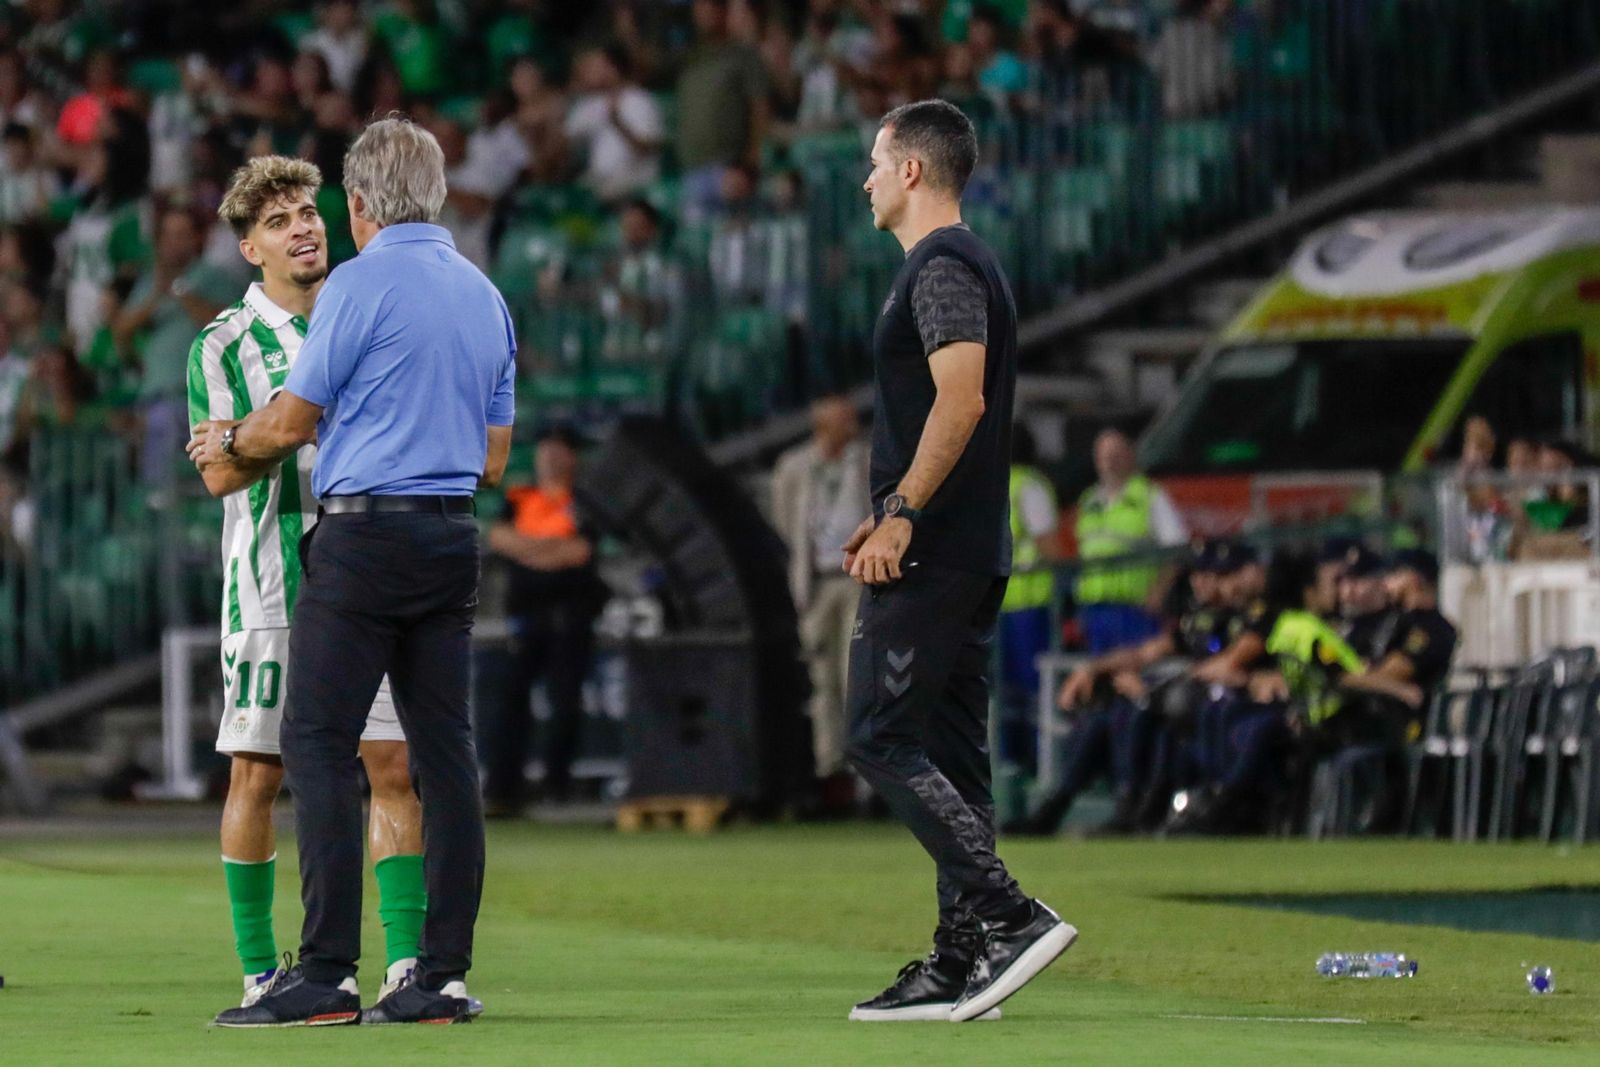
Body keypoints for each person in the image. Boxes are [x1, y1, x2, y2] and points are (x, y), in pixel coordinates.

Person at [191, 117, 515, 1026]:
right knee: (447, 755)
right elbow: (496, 461)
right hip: (453, 537)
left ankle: (326, 971)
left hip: (363, 541)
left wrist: (231, 438)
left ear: (360, 204)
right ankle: (437, 977)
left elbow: (289, 424)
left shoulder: (357, 288)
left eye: (318, 207)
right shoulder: (486, 294)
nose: (308, 225)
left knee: (317, 745)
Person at [184, 156, 432, 1023]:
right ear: (251, 247)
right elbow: (216, 479)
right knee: (259, 773)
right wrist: (294, 426)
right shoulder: (221, 344)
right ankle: (261, 970)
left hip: (366, 574)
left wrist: (262, 430)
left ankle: (406, 964)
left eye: (309, 211)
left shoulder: (367, 314)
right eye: (280, 219)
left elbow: (237, 448)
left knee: (390, 766)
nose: (303, 226)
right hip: (270, 589)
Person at [843, 99, 1073, 1025]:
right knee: (950, 752)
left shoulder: (941, 267)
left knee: (876, 734)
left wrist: (899, 512)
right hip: (966, 545)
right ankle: (962, 956)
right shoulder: (961, 266)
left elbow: (962, 398)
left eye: (873, 162)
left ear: (909, 171)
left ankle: (1008, 915)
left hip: (934, 551)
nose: (863, 180)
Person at [483, 426, 607, 813]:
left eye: (559, 450)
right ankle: (504, 788)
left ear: (572, 457)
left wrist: (528, 550)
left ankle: (558, 786)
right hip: (527, 617)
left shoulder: (583, 501)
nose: (551, 457)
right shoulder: (520, 496)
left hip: (571, 618)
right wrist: (551, 549)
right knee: (511, 702)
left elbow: (581, 552)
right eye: (545, 450)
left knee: (565, 703)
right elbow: (499, 539)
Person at [770, 393, 871, 809]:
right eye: (842, 421)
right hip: (815, 582)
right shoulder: (795, 467)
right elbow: (783, 522)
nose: (852, 426)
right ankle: (829, 771)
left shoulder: (866, 460)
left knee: (857, 677)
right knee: (820, 677)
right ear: (822, 426)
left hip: (857, 579)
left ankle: (865, 773)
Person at [1073, 427, 1187, 654]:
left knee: (1136, 675)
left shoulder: (1150, 496)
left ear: (1130, 456)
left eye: (1116, 454)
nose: (1110, 461)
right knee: (1100, 676)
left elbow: (1178, 549)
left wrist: (1158, 592)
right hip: (1095, 608)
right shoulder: (1089, 502)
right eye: (1104, 455)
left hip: (1135, 607)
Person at [675, 0, 769, 222]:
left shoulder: (743, 56)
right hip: (692, 170)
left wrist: (751, 163)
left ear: (722, 11)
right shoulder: (690, 60)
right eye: (698, 7)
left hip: (731, 169)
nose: (702, 13)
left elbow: (760, 108)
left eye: (708, 6)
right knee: (696, 245)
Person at [998, 422, 1058, 756]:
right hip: (1013, 605)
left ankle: (1030, 761)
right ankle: (1021, 761)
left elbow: (1047, 547)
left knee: (1025, 690)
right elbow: (1050, 548)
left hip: (1025, 606)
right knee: (1018, 691)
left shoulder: (1021, 487)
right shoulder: (1022, 485)